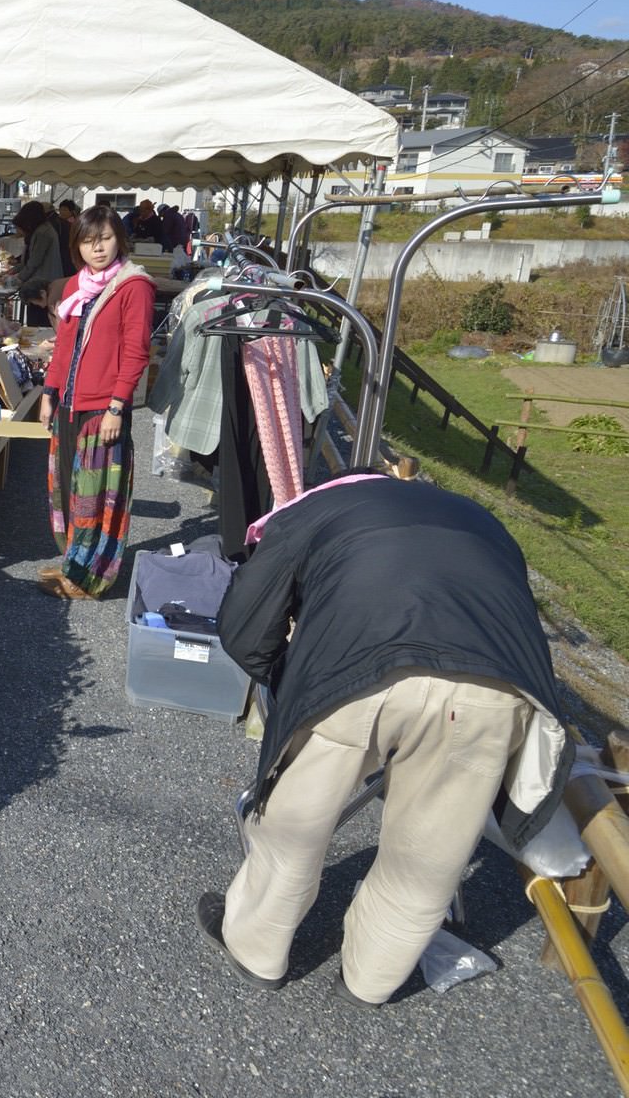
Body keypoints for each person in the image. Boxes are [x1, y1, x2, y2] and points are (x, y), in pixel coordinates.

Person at [200, 475, 573, 1007]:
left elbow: (243, 624)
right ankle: (371, 982)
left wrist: (284, 678)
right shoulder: (481, 520)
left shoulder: (309, 512)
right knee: (431, 849)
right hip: (495, 690)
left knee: (294, 827)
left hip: (358, 671)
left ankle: (256, 949)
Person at [38, 206, 154, 599]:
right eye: (88, 241)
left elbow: (136, 353)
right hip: (70, 404)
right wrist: (49, 394)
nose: (97, 248)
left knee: (97, 499)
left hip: (103, 409)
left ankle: (90, 578)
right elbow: (64, 347)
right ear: (78, 247)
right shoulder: (75, 286)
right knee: (70, 491)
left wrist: (117, 407)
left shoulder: (133, 285)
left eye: (104, 238)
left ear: (119, 239)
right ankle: (73, 561)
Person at [8, 201, 63, 327]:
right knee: (37, 320)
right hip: (42, 282)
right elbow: (29, 260)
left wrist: (18, 279)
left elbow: (34, 262)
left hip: (43, 283)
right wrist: (15, 271)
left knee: (40, 322)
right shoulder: (41, 231)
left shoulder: (43, 233)